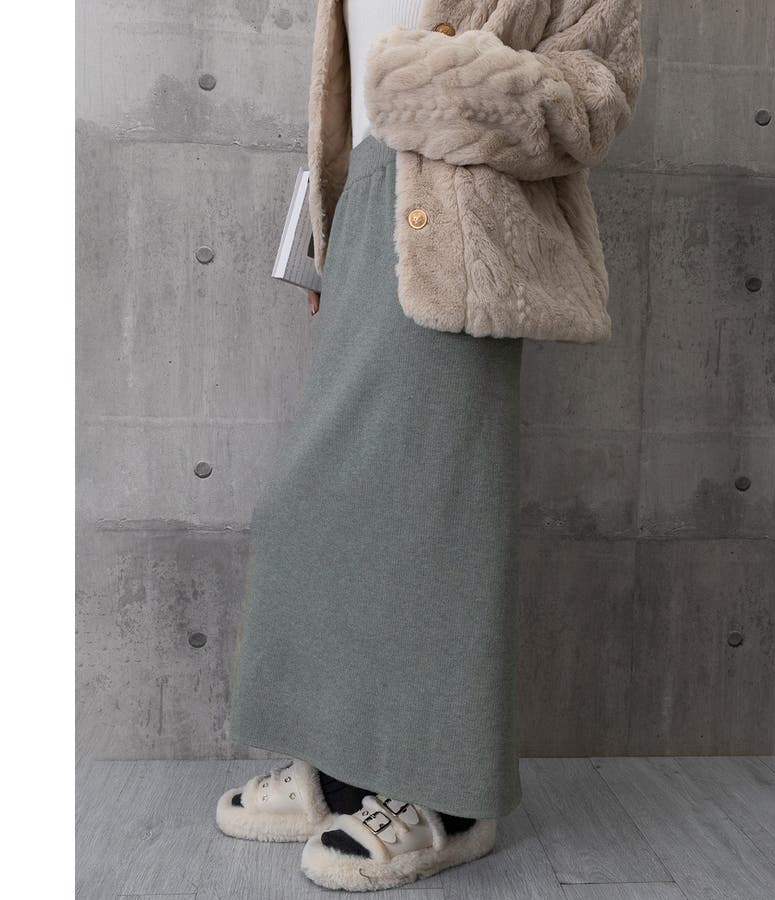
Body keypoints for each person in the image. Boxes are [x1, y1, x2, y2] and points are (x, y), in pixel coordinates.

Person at [215, 0, 643, 891]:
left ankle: (449, 795)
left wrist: (428, 84)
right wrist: (331, 227)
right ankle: (342, 769)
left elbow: (596, 96)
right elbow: (351, 101)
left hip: (464, 229)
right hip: (367, 209)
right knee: (323, 504)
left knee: (439, 510)